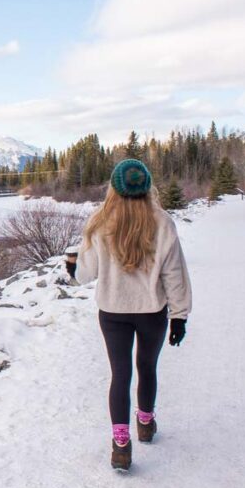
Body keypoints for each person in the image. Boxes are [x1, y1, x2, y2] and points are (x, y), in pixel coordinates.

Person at [66, 159, 192, 471]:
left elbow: (85, 274)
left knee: (120, 375)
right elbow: (173, 273)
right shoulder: (162, 222)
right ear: (147, 185)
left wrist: (72, 269)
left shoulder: (101, 221)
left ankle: (121, 444)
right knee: (147, 367)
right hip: (152, 313)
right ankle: (145, 423)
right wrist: (179, 316)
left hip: (113, 312)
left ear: (115, 187)